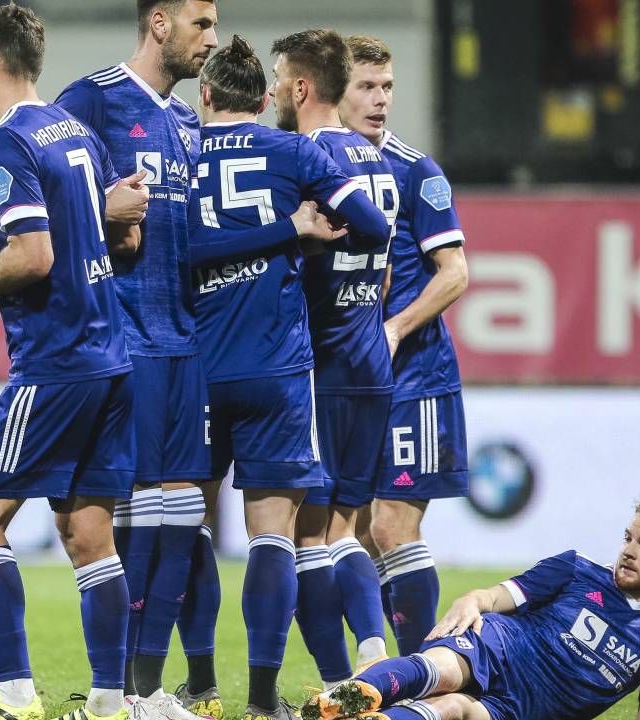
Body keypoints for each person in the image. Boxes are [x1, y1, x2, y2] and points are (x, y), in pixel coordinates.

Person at [0, 5, 143, 720]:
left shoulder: (7, 141)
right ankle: (110, 702)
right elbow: (129, 230)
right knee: (90, 536)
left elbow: (32, 256)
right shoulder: (74, 128)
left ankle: (17, 695)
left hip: (56, 363)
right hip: (111, 356)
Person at [188, 35, 390, 720]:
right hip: (280, 368)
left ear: (205, 94)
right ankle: (261, 699)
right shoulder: (298, 154)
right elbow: (371, 227)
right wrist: (298, 232)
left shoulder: (179, 151)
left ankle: (198, 687)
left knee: (190, 527)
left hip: (199, 368)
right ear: (264, 96)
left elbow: (178, 253)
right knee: (277, 536)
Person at [54, 4, 217, 712]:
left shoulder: (185, 121)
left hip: (187, 343)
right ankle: (116, 685)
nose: (211, 38)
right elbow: (39, 200)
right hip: (126, 340)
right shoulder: (92, 99)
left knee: (183, 517)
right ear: (159, 23)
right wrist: (101, 209)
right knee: (128, 519)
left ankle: (147, 688)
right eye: (200, 23)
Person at [306, 500, 640, 720]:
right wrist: (472, 600)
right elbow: (495, 597)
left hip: (529, 709)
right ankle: (331, 704)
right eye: (628, 538)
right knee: (444, 670)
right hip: (503, 647)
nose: (628, 551)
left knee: (453, 710)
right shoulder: (577, 568)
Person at [268, 28, 398, 686]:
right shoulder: (376, 159)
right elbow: (384, 272)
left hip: (321, 365)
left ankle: (336, 685)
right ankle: (374, 653)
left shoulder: (306, 158)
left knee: (305, 537)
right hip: (372, 359)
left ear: (299, 87)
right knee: (347, 529)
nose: (270, 91)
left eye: (276, 79)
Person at [338, 35, 469, 655]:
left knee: (392, 527)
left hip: (415, 376)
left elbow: (455, 272)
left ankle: (423, 674)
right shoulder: (317, 163)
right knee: (354, 534)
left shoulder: (416, 170)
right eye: (366, 86)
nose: (380, 99)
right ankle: (384, 671)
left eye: (387, 87)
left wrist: (394, 329)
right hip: (349, 380)